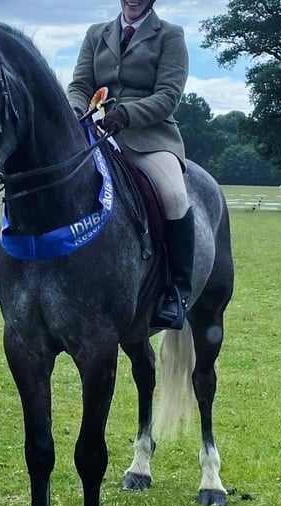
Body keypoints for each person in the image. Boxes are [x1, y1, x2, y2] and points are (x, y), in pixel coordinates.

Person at [66, 0, 194, 329]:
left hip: (148, 137)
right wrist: (77, 115)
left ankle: (176, 291)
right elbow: (80, 84)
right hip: (94, 132)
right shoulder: (97, 33)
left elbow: (168, 95)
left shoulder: (170, 35)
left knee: (175, 196)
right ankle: (17, 270)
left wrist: (128, 114)